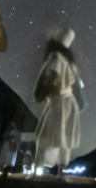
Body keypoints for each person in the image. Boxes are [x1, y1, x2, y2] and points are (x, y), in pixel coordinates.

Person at [33, 27, 81, 175]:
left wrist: (40, 93)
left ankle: (42, 171)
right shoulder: (70, 62)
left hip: (59, 103)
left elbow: (53, 76)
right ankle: (59, 172)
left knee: (48, 137)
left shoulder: (55, 56)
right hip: (69, 104)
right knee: (61, 140)